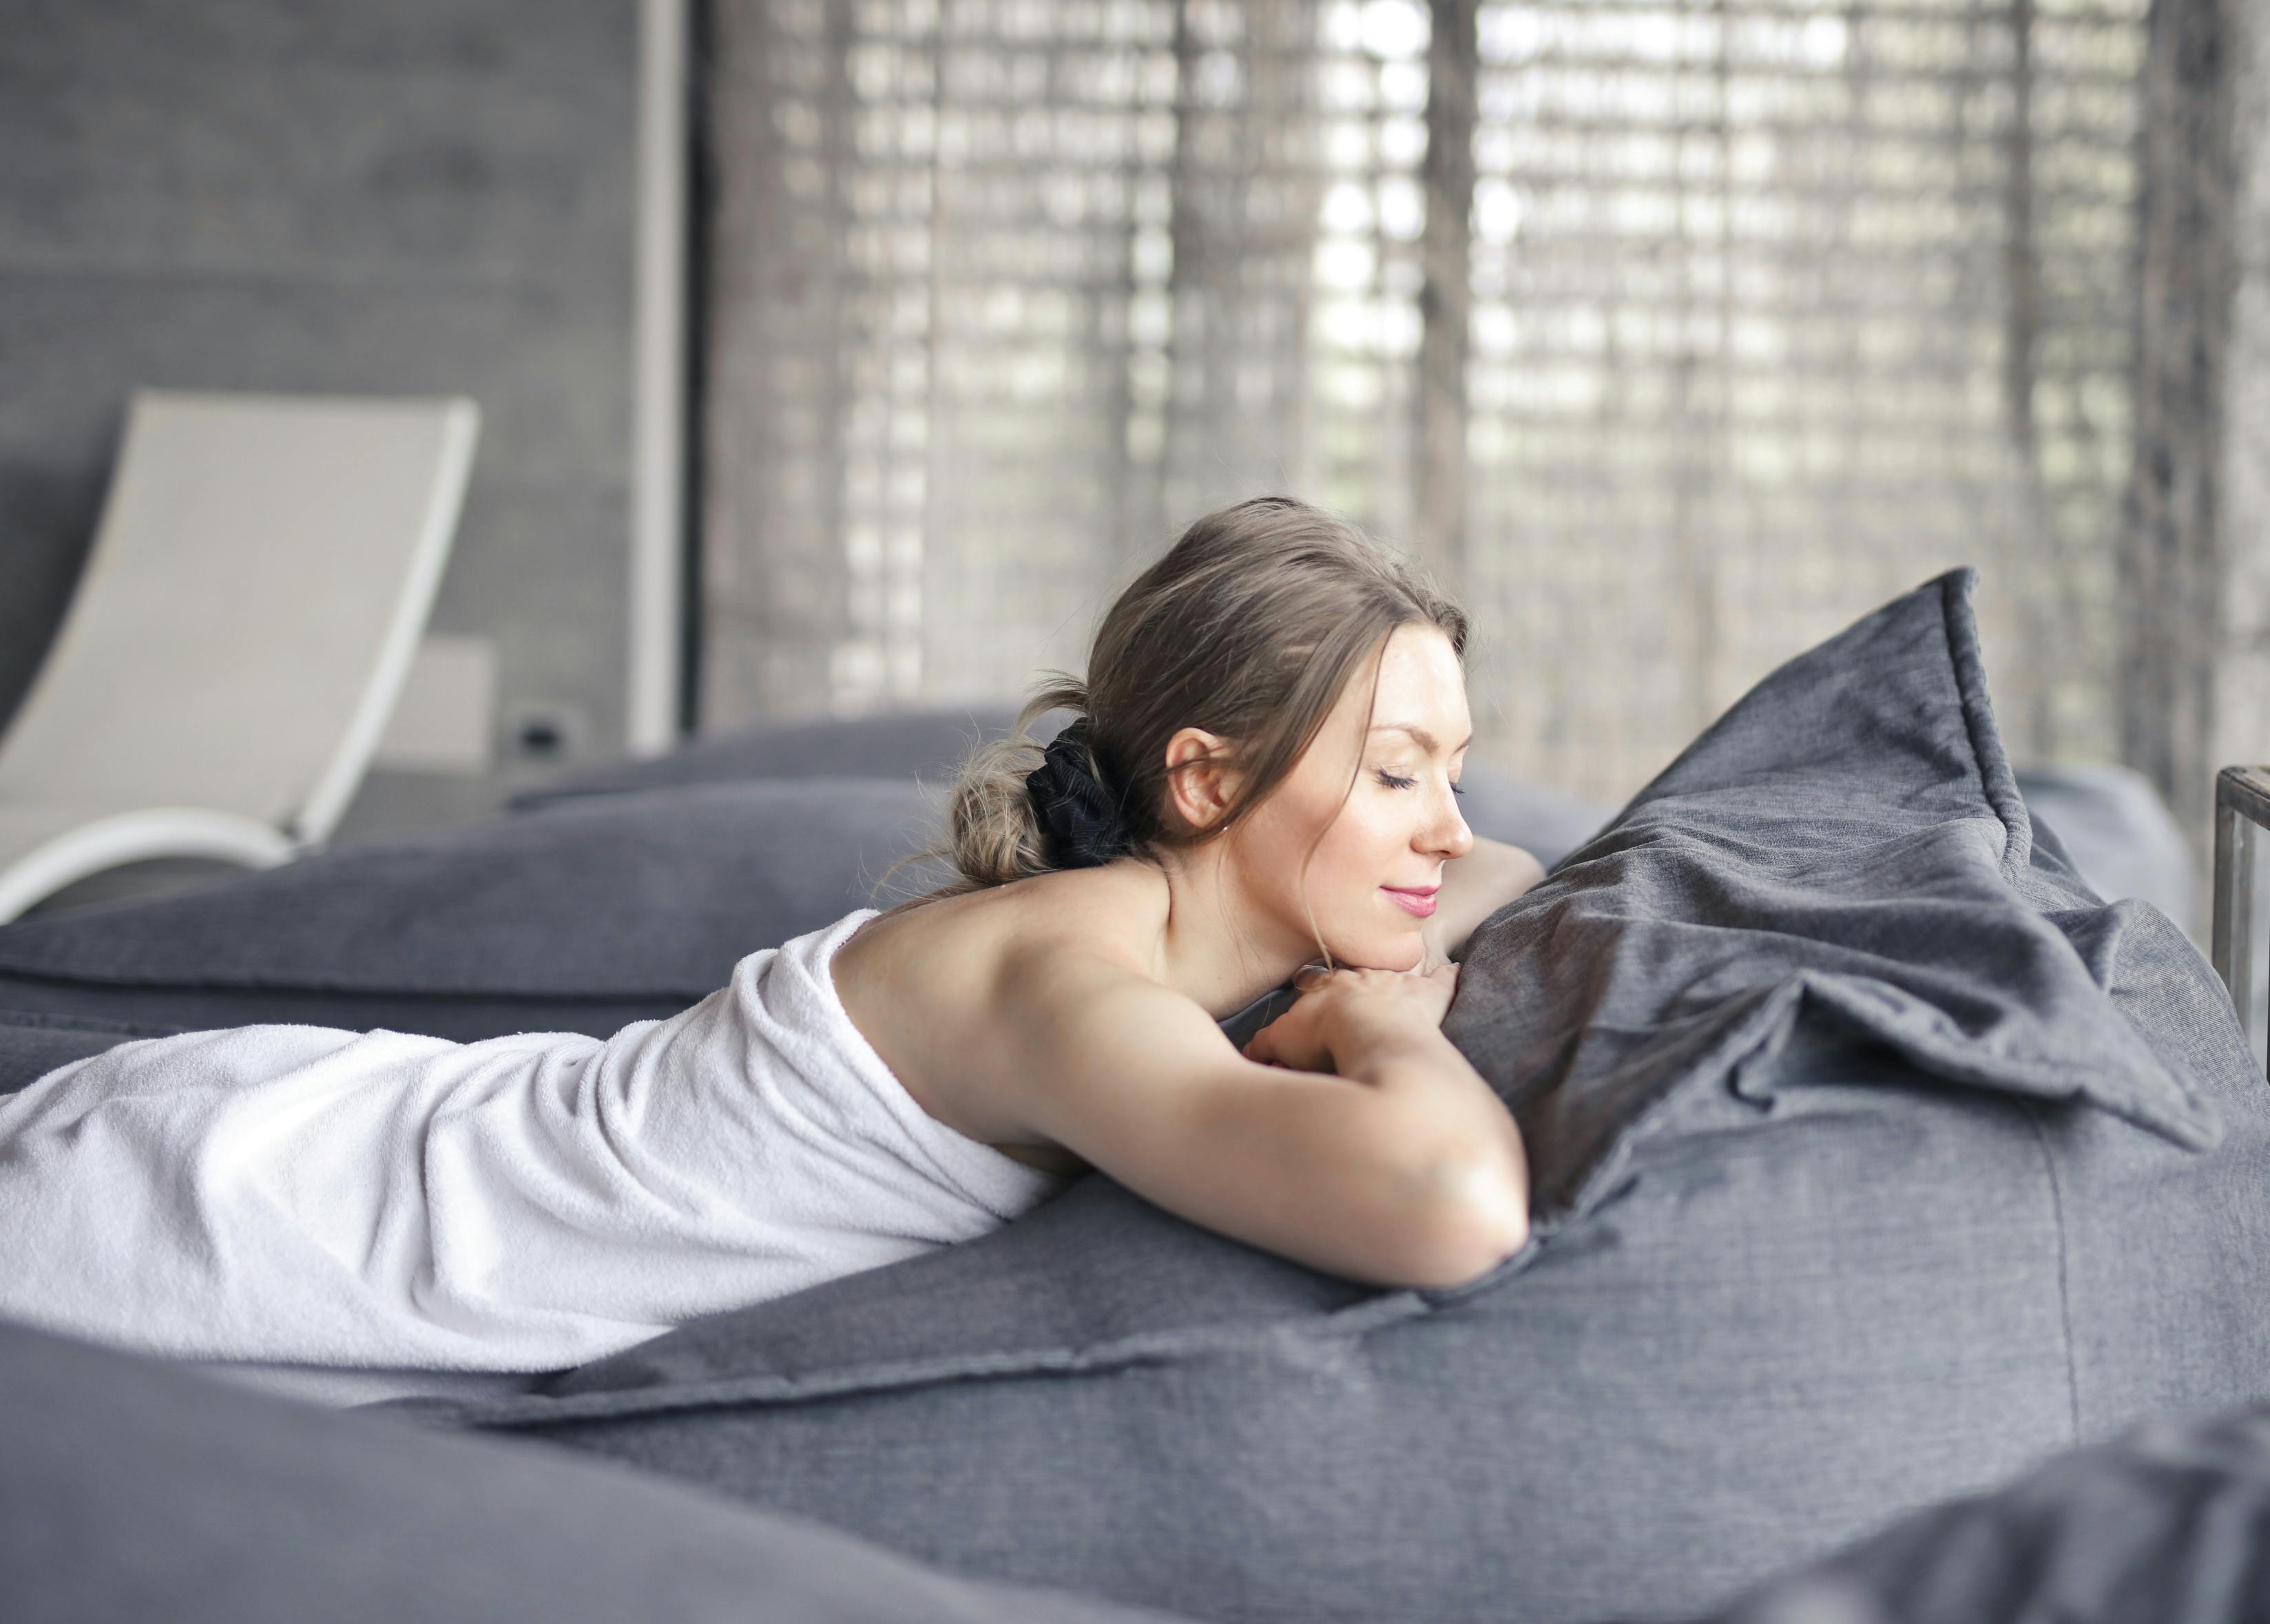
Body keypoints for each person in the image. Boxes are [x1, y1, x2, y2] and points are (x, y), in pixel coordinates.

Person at [0, 497, 1543, 1395]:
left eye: (1450, 768)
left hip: (342, 1139)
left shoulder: (1159, 936)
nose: (1443, 827)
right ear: (1207, 778)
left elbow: (1515, 865)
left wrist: (1355, 970)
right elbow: (1457, 1208)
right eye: (1397, 770)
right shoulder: (1068, 992)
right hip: (243, 1214)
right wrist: (1383, 1020)